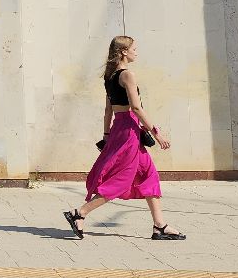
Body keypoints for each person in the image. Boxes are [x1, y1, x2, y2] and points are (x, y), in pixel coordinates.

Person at [64, 35, 185, 241]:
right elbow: (136, 108)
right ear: (123, 52)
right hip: (129, 130)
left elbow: (108, 110)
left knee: (149, 175)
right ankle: (80, 213)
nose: (137, 52)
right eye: (134, 49)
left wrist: (107, 136)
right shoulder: (127, 75)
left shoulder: (109, 76)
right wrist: (157, 133)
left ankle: (160, 226)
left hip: (119, 128)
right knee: (120, 180)